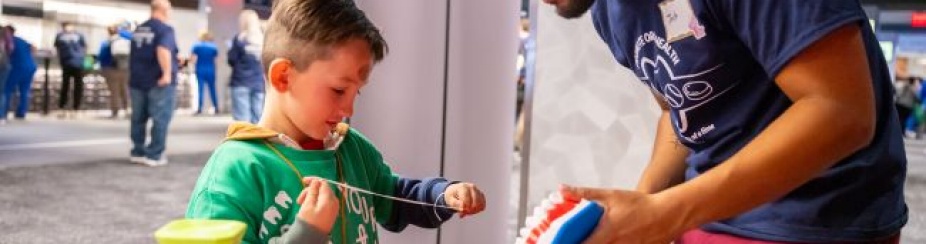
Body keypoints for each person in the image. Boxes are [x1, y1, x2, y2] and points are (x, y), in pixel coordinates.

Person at [542, 0, 907, 243]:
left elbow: (841, 112)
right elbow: (679, 111)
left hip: (815, 220)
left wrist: (663, 214)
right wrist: (643, 206)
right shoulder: (610, 12)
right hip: (709, 212)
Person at [185, 0, 487, 243]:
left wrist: (442, 195)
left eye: (357, 93)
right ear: (283, 76)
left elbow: (393, 198)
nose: (349, 109)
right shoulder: (234, 174)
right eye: (339, 90)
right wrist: (307, 233)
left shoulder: (351, 148)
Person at [128, 0, 178, 167]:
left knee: (138, 118)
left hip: (137, 80)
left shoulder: (139, 29)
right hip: (158, 81)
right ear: (163, 9)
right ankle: (154, 155)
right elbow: (163, 50)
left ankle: (138, 151)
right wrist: (166, 73)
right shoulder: (165, 29)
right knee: (160, 118)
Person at [228, 9, 266, 124]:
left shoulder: (240, 39)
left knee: (242, 121)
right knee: (258, 120)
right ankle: (258, 142)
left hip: (241, 82)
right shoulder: (263, 41)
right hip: (259, 84)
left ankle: (245, 142)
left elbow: (231, 60)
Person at [53, 21, 87, 118]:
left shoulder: (79, 35)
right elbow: (56, 48)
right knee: (65, 86)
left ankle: (76, 108)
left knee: (78, 87)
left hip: (77, 64)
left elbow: (84, 47)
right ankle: (63, 107)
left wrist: (81, 58)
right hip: (66, 63)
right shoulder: (60, 36)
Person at [3, 25, 37, 122]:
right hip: (30, 66)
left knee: (6, 89)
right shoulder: (21, 40)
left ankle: (3, 112)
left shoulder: (8, 40)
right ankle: (21, 113)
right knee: (24, 91)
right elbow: (33, 48)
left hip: (18, 67)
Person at [99, 25, 131, 119]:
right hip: (125, 69)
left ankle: (115, 111)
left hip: (111, 69)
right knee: (125, 89)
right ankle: (127, 109)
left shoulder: (106, 43)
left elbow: (102, 57)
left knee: (114, 91)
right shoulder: (126, 41)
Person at [190, 31, 219, 115]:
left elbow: (193, 59)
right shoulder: (213, 47)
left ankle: (200, 108)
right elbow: (215, 60)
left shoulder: (197, 46)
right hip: (211, 69)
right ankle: (216, 107)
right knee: (212, 89)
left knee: (200, 89)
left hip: (200, 69)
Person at [0, 25, 12, 125]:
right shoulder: (5, 33)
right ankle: (2, 117)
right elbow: (11, 48)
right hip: (5, 64)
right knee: (2, 91)